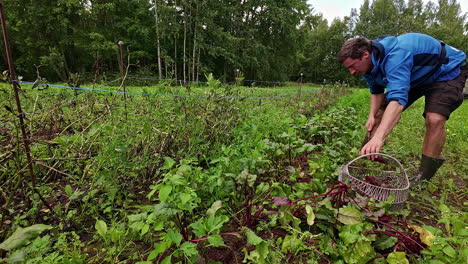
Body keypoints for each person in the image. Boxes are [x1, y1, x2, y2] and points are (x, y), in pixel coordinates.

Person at [338, 32, 467, 185]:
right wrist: (372, 115)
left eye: (352, 66)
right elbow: (376, 91)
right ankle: (364, 157)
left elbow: (398, 101)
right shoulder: (368, 64)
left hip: (445, 71)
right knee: (380, 113)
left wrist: (379, 137)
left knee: (434, 119)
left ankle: (423, 177)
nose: (351, 72)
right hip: (416, 76)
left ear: (365, 54)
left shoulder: (396, 56)